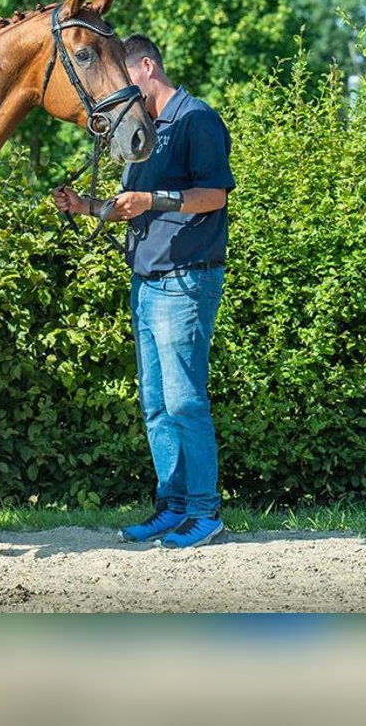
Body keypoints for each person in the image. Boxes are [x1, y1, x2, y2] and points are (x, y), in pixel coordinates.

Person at [53, 34, 234, 549]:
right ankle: (172, 506)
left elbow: (213, 195)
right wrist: (86, 206)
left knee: (183, 402)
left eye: (122, 79)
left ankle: (204, 512)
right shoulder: (145, 132)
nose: (117, 92)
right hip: (147, 281)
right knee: (155, 404)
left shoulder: (197, 120)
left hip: (185, 278)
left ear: (147, 66)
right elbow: (132, 204)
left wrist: (152, 196)